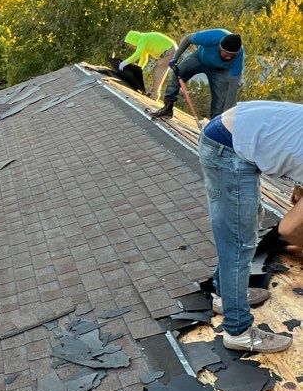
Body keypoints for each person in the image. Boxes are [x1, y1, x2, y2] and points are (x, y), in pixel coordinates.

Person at [198, 99, 303, 353]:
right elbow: (289, 229)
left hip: (235, 132)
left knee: (245, 225)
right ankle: (238, 331)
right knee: (238, 241)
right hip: (229, 146)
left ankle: (225, 296)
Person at [151, 28, 243, 120]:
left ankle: (215, 124)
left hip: (220, 70)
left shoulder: (239, 55)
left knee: (221, 100)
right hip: (199, 59)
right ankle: (167, 109)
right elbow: (188, 39)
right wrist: (175, 58)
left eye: (231, 56)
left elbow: (233, 86)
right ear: (220, 47)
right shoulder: (212, 36)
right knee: (178, 73)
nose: (228, 58)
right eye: (226, 54)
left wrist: (227, 113)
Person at [117, 29, 177, 97]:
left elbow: (138, 54)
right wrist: (137, 70)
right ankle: (153, 93)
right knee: (157, 70)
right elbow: (144, 58)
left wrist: (124, 63)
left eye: (131, 43)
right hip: (170, 50)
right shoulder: (144, 38)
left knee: (158, 70)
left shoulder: (142, 39)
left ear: (133, 39)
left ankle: (154, 95)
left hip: (170, 50)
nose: (132, 46)